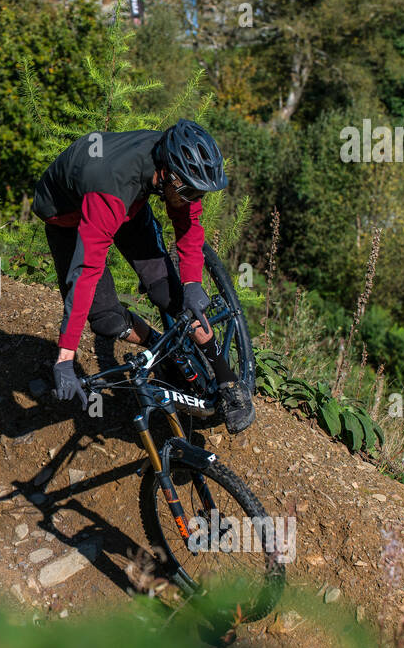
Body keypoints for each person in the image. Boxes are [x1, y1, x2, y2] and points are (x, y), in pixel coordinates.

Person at [32, 119, 255, 433]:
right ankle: (163, 349)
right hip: (68, 214)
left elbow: (189, 230)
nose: (194, 199)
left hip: (131, 201)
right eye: (189, 190)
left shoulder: (175, 170)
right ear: (165, 173)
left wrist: (191, 284)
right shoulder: (111, 188)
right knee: (107, 319)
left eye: (199, 192)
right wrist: (65, 358)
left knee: (173, 296)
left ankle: (228, 382)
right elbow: (85, 274)